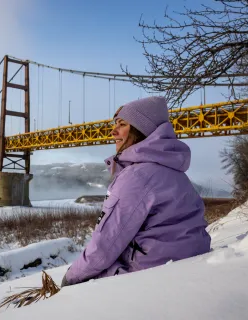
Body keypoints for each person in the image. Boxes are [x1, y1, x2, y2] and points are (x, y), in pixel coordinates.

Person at [62, 96, 211, 287]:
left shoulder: (137, 177)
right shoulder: (176, 173)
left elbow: (103, 247)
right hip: (184, 267)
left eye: (122, 124)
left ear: (142, 131)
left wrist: (70, 278)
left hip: (145, 277)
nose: (112, 131)